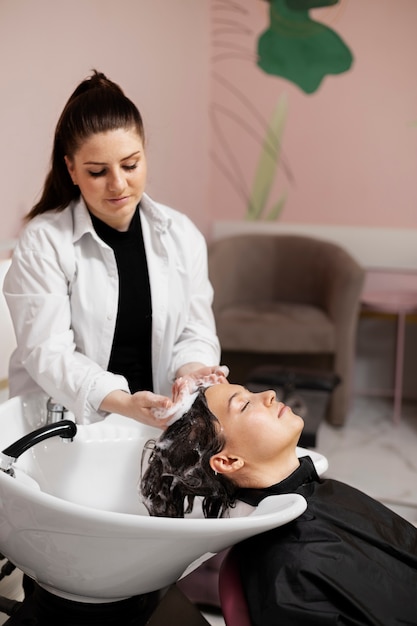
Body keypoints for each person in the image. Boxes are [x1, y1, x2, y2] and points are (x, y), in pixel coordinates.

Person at [3, 70, 224, 426]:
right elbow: (48, 353)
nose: (118, 184)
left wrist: (194, 372)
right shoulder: (44, 241)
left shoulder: (181, 235)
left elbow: (194, 331)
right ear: (71, 170)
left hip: (157, 417)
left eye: (130, 164)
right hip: (68, 422)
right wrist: (123, 403)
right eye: (97, 172)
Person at [141, 383, 417, 625]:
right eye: (245, 404)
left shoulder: (324, 491)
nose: (270, 394)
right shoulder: (290, 566)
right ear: (227, 461)